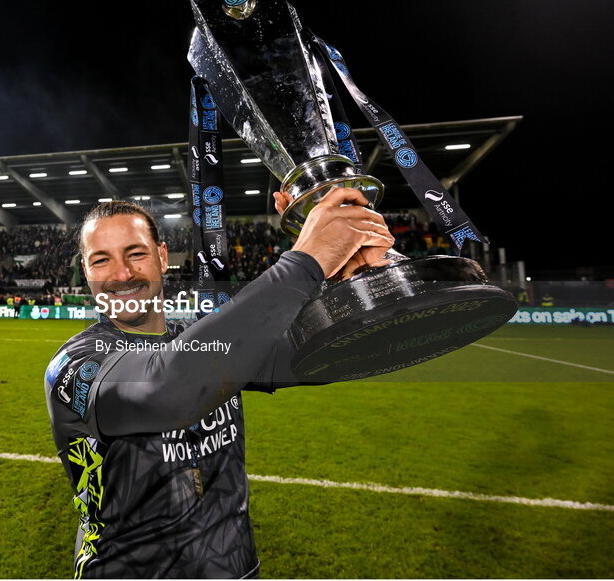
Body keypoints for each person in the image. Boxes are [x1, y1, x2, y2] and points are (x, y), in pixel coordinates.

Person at [45, 191, 394, 578]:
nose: (122, 274)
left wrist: (355, 281)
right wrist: (306, 260)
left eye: (136, 253)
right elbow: (166, 388)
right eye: (101, 260)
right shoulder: (73, 366)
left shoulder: (202, 339)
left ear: (163, 256)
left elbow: (325, 354)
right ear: (86, 269)